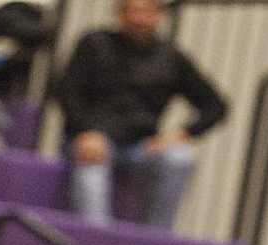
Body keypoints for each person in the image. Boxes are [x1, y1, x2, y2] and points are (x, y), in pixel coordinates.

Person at [56, 0, 227, 228]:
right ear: (120, 14)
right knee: (92, 169)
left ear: (159, 15)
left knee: (180, 158)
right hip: (92, 140)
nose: (139, 19)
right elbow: (67, 91)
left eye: (146, 12)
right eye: (132, 11)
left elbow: (215, 106)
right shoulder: (94, 44)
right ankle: (97, 237)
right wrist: (85, 132)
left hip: (140, 146)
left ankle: (156, 238)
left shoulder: (171, 57)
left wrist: (182, 135)